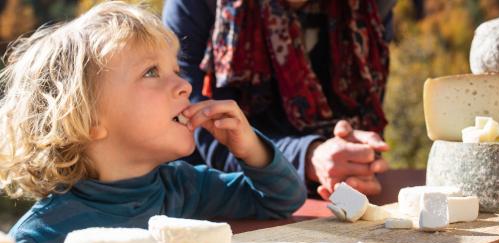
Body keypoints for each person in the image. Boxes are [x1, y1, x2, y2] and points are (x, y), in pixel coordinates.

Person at [0, 1, 307, 243]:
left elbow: (280, 201)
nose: (185, 85)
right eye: (151, 72)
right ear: (86, 117)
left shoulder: (184, 187)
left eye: (176, 70)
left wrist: (251, 148)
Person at [163, 0, 397, 200]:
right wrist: (307, 157)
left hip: (335, 199)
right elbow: (197, 123)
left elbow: (366, 104)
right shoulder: (196, 5)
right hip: (216, 197)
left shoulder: (370, 6)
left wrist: (357, 154)